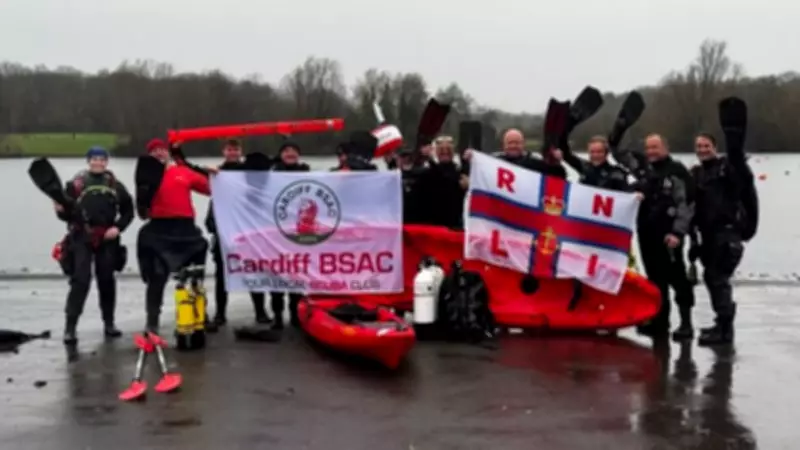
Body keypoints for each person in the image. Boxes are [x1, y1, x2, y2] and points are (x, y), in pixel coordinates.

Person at [613, 133, 695, 340]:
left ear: (665, 148)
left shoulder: (676, 171)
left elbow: (686, 204)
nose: (651, 152)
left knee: (678, 279)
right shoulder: (644, 169)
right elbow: (619, 154)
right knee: (656, 280)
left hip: (669, 235)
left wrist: (678, 232)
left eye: (655, 147)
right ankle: (661, 322)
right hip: (647, 234)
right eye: (648, 148)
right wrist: (620, 130)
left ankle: (686, 324)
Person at [55, 146, 134, 344]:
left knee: (106, 280)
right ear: (88, 161)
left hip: (107, 238)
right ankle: (70, 328)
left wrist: (118, 227)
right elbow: (66, 214)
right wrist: (59, 210)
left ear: (106, 162)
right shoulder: (75, 185)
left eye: (102, 159)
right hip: (81, 237)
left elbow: (128, 211)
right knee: (80, 280)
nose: (98, 162)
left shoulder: (115, 185)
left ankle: (109, 324)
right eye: (94, 159)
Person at [137, 138, 216, 332]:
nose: (159, 153)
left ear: (168, 153)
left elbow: (210, 189)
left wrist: (215, 175)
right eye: (154, 151)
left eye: (162, 150)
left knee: (195, 275)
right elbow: (141, 209)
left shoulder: (182, 171)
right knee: (157, 277)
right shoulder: (146, 175)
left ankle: (200, 313)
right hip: (159, 228)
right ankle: (152, 321)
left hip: (185, 228)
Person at [689, 133, 752, 345]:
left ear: (714, 147)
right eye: (699, 146)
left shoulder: (727, 170)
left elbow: (743, 179)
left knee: (718, 279)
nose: (702, 150)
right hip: (707, 235)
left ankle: (725, 331)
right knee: (711, 278)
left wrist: (737, 155)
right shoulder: (697, 173)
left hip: (727, 233)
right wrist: (693, 239)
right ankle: (721, 324)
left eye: (706, 146)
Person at [205, 139, 270, 326]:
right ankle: (220, 313)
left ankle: (260, 312)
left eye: (236, 149)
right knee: (221, 276)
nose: (232, 152)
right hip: (224, 234)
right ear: (224, 151)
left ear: (241, 151)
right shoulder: (217, 174)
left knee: (253, 272)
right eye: (229, 149)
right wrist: (213, 224)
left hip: (247, 232)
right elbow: (213, 204)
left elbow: (267, 174)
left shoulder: (249, 172)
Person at [270, 141, 310, 328]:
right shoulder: (271, 175)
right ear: (280, 155)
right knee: (276, 276)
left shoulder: (307, 173)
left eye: (294, 151)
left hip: (298, 234)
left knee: (297, 276)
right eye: (286, 151)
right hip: (277, 232)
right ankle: (277, 315)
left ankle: (295, 314)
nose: (290, 154)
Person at [418, 135, 467, 229]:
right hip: (433, 225)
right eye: (441, 150)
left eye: (448, 150)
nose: (445, 152)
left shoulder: (460, 172)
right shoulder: (427, 172)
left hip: (455, 225)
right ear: (436, 152)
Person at [562, 135, 632, 191]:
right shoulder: (584, 167)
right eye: (592, 152)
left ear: (606, 153)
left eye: (599, 152)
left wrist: (635, 195)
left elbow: (627, 195)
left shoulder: (616, 173)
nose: (595, 155)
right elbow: (565, 154)